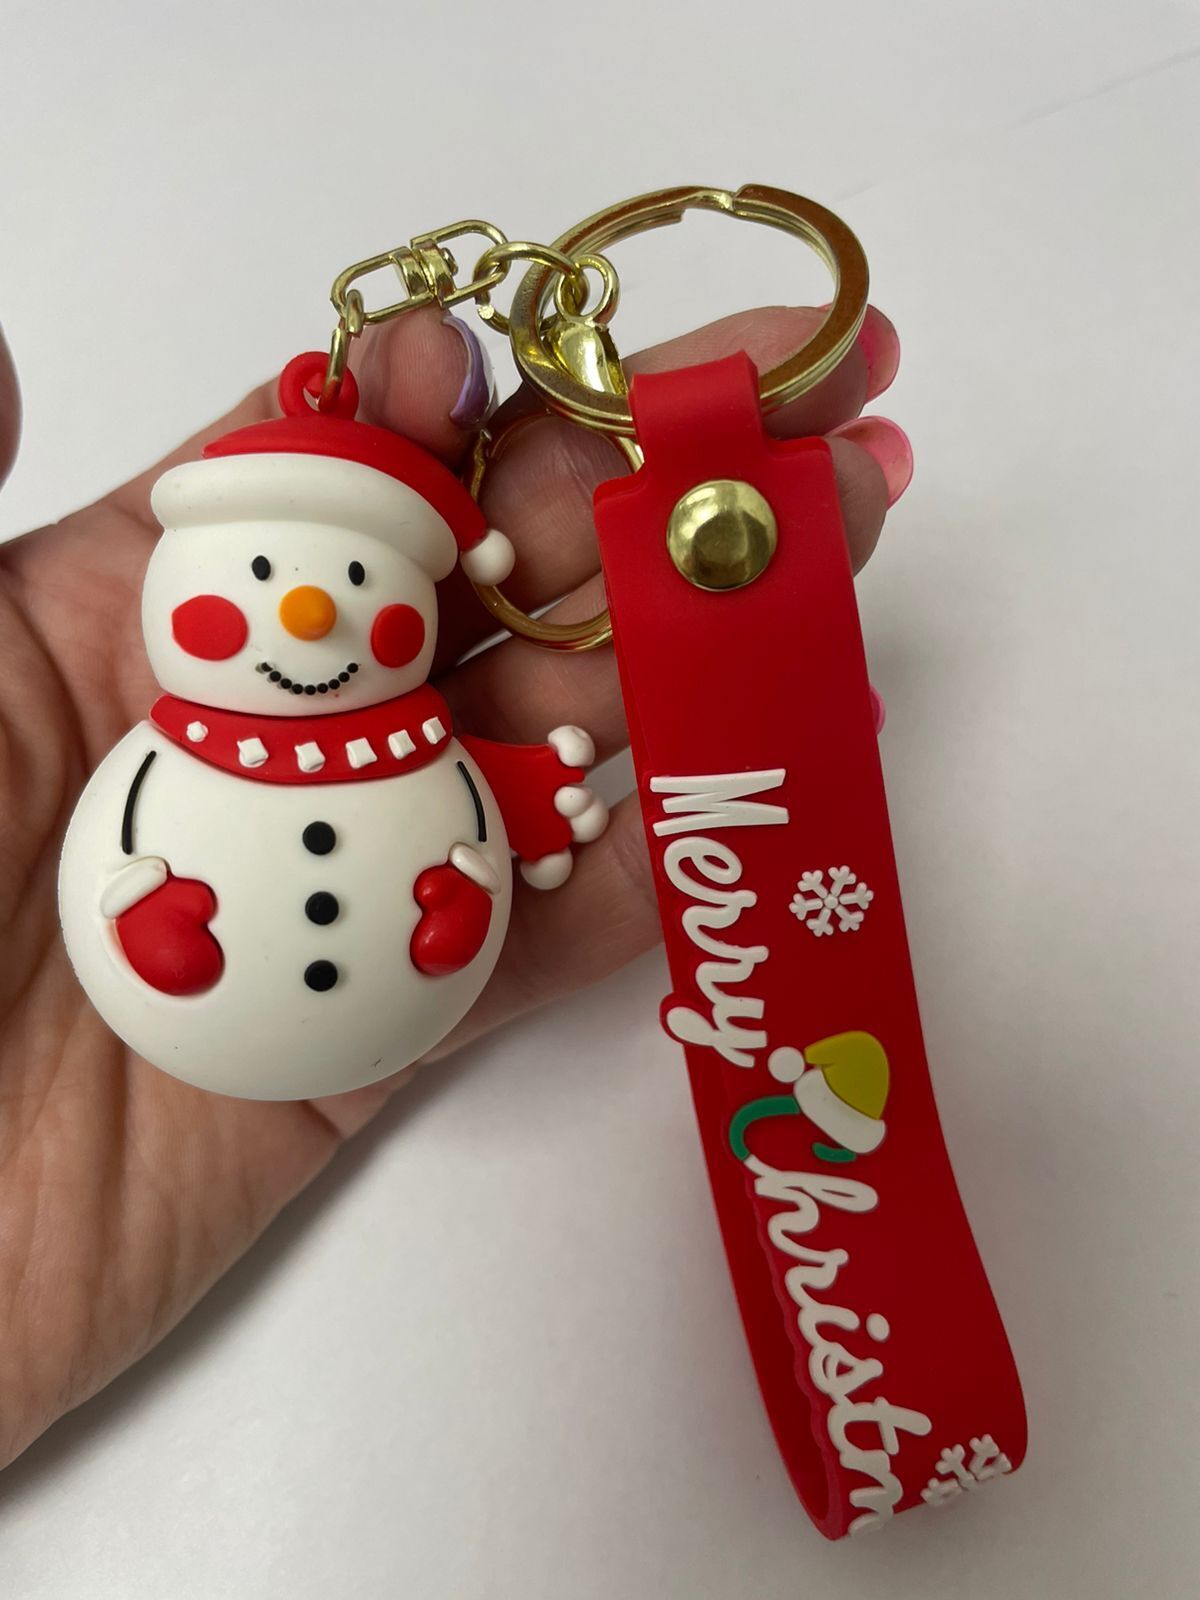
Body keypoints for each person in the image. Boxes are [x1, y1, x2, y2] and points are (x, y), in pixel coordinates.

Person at [0, 302, 909, 1470]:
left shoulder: (424, 757)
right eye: (263, 577)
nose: (310, 611)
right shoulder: (152, 767)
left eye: (351, 582)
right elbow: (124, 843)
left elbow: (483, 798)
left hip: (396, 976)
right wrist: (145, 909)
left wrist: (501, 847)